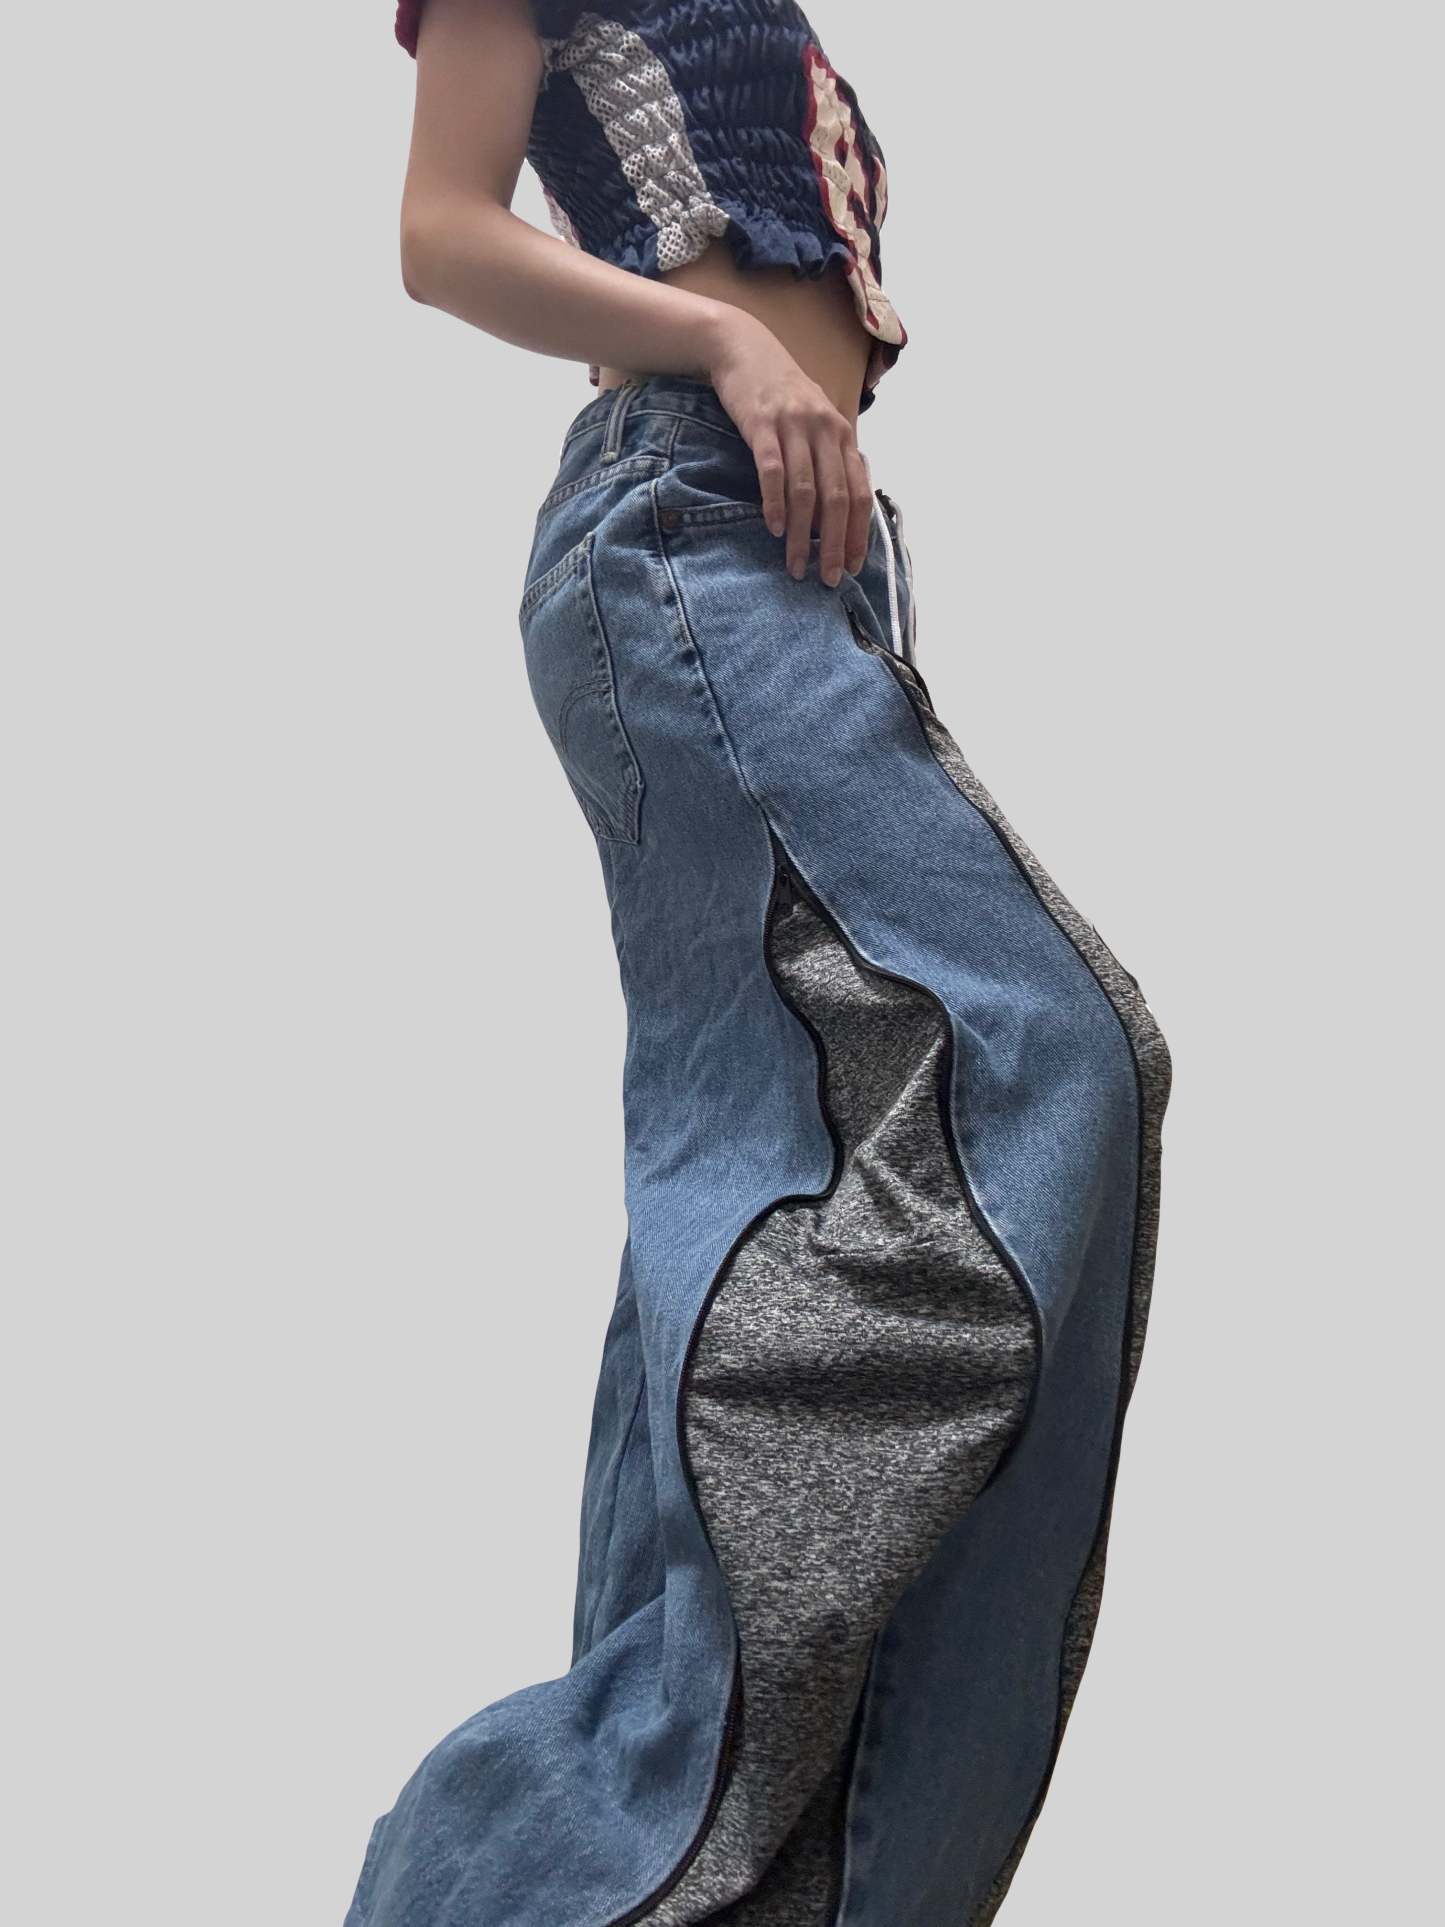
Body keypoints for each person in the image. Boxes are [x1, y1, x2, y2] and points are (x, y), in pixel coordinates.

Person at [344, 4, 1172, 1923]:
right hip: (682, 520)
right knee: (1051, 1052)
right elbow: (440, 232)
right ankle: (572, 1852)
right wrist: (721, 341)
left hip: (811, 570)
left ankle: (636, 1874)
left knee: (742, 1190)